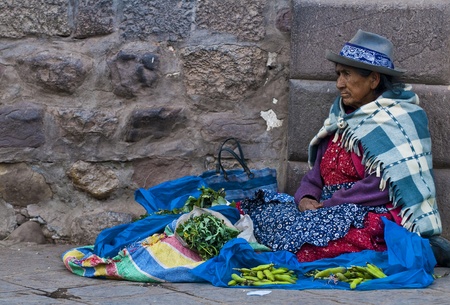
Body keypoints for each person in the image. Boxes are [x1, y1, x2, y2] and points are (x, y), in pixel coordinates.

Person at [239, 29, 450, 267]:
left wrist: (331, 205)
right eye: (338, 74)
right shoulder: (341, 118)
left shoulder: (401, 118)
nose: (339, 84)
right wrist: (306, 197)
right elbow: (316, 174)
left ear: (373, 79)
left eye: (347, 74)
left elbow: (384, 185)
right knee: (263, 213)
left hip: (369, 212)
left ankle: (429, 248)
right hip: (328, 209)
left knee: (307, 240)